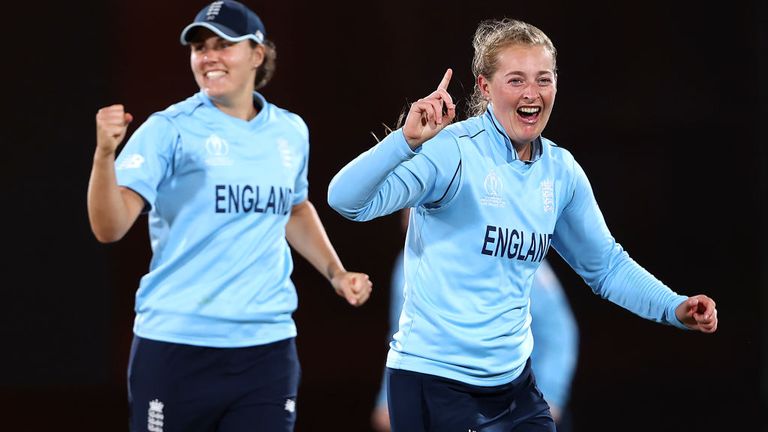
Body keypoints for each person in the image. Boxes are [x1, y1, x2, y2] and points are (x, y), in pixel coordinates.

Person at [328, 17, 717, 432]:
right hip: (435, 385)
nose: (532, 93)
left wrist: (673, 307)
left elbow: (606, 266)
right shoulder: (452, 152)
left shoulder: (561, 171)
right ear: (484, 87)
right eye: (515, 80)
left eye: (543, 79)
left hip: (514, 388)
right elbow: (346, 201)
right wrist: (403, 141)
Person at [87, 1, 372, 431]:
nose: (208, 57)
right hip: (177, 347)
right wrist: (104, 156)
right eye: (200, 47)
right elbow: (109, 228)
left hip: (267, 349)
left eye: (224, 45)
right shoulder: (169, 128)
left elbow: (295, 207)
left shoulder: (290, 131)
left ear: (258, 54)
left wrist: (336, 272)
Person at [370, 212, 578, 432]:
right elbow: (404, 338)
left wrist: (551, 396)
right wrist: (388, 399)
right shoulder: (409, 264)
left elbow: (559, 332)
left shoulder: (509, 253)